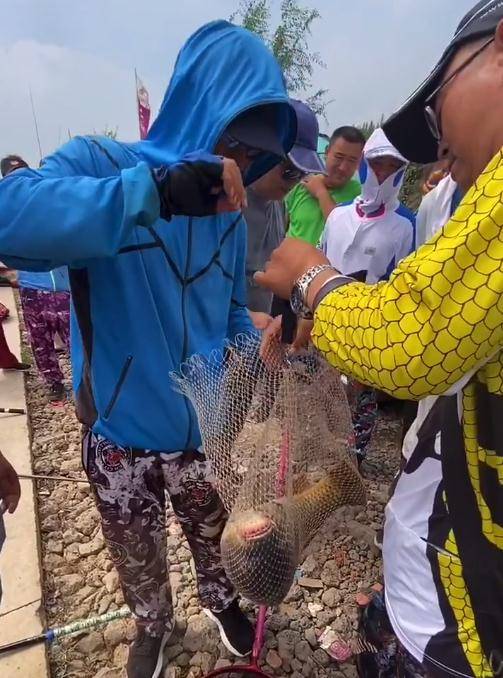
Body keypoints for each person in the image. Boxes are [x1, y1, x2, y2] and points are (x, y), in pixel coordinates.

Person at [0, 21, 296, 678]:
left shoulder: (227, 215)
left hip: (199, 431)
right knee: (134, 550)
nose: (242, 165)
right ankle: (152, 626)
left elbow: (220, 314)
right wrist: (153, 194)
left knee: (214, 539)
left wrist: (260, 351)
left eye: (258, 156)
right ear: (199, 103)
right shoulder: (101, 165)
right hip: (118, 435)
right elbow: (9, 218)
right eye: (238, 142)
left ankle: (222, 605)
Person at [256, 1, 503, 674]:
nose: (441, 149)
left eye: (435, 114)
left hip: (470, 579)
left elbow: (412, 335)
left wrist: (312, 280)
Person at [319, 127, 415, 466]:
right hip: (326, 323)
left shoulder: (405, 225)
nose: (384, 173)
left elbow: (403, 290)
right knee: (321, 401)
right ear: (365, 166)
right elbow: (320, 262)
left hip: (369, 332)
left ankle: (351, 471)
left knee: (360, 408)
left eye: (392, 166)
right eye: (377, 164)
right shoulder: (337, 216)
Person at [246, 99, 325, 319]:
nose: (293, 182)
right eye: (289, 171)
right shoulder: (228, 206)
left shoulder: (278, 204)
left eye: (302, 173)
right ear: (261, 152)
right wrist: (244, 316)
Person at [285, 126, 364, 246]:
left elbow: (343, 232)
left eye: (352, 160)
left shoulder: (360, 196)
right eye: (339, 157)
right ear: (327, 152)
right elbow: (281, 227)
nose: (343, 167)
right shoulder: (301, 185)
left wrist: (321, 192)